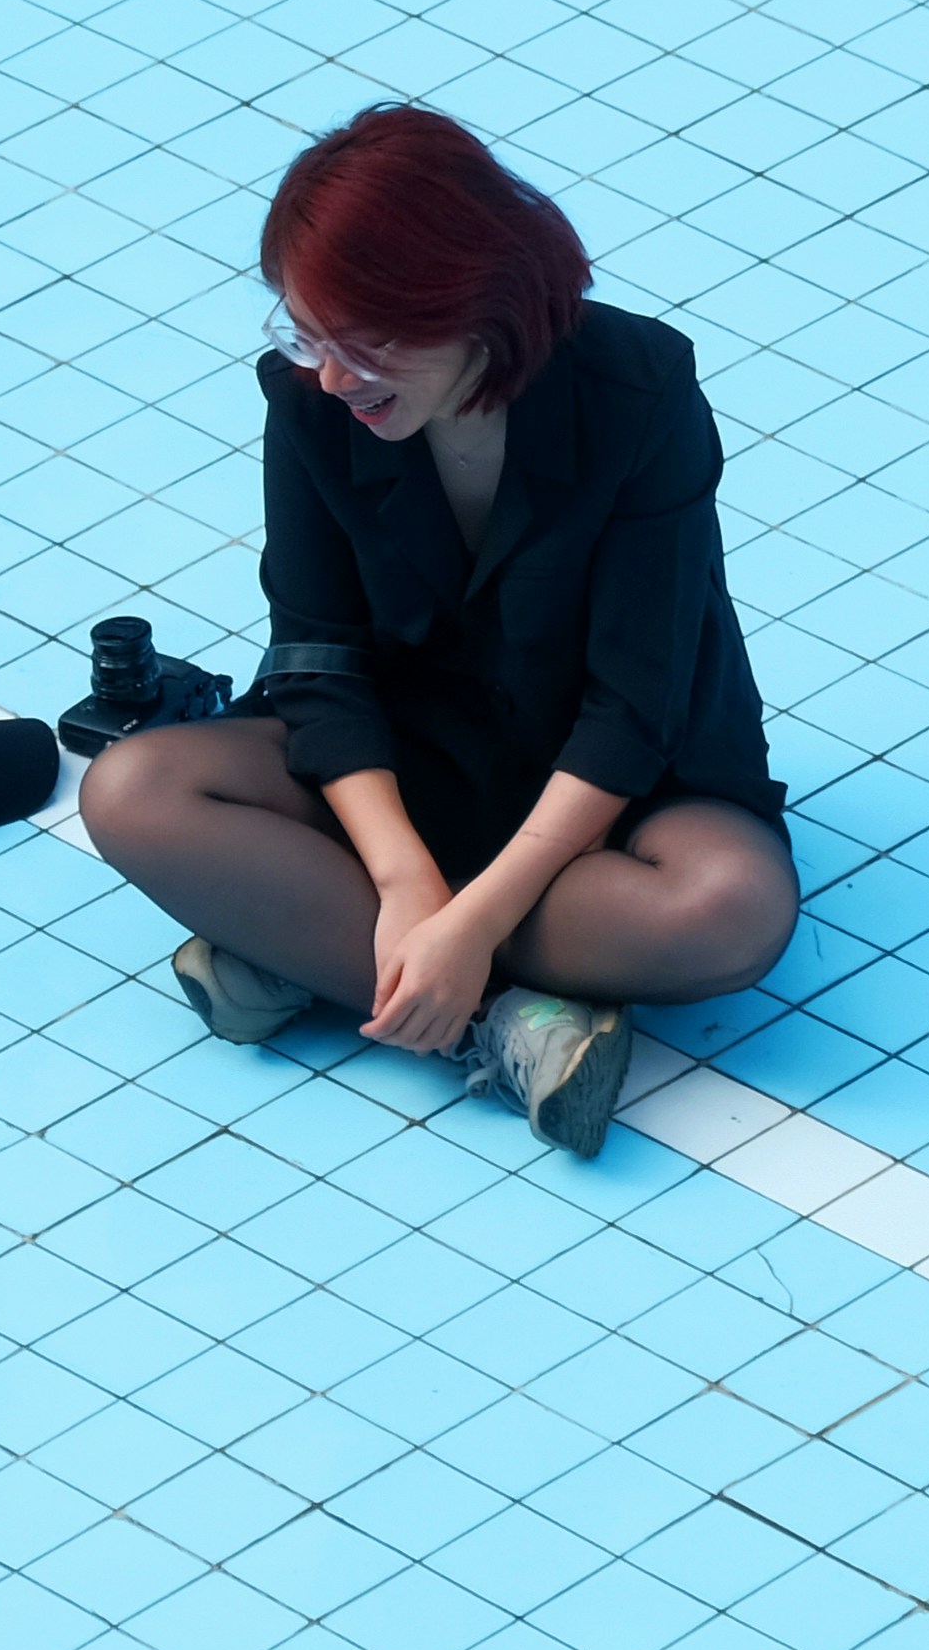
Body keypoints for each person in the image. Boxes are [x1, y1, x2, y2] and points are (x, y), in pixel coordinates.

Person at [80, 106, 799, 1155]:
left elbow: (634, 701)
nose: (331, 375)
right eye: (304, 330)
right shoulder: (313, 396)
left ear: (474, 303)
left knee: (728, 906)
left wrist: (470, 919)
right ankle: (507, 1024)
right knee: (130, 789)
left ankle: (315, 943)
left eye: (366, 342)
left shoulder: (639, 390)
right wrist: (403, 876)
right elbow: (317, 653)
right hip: (401, 761)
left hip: (616, 787)